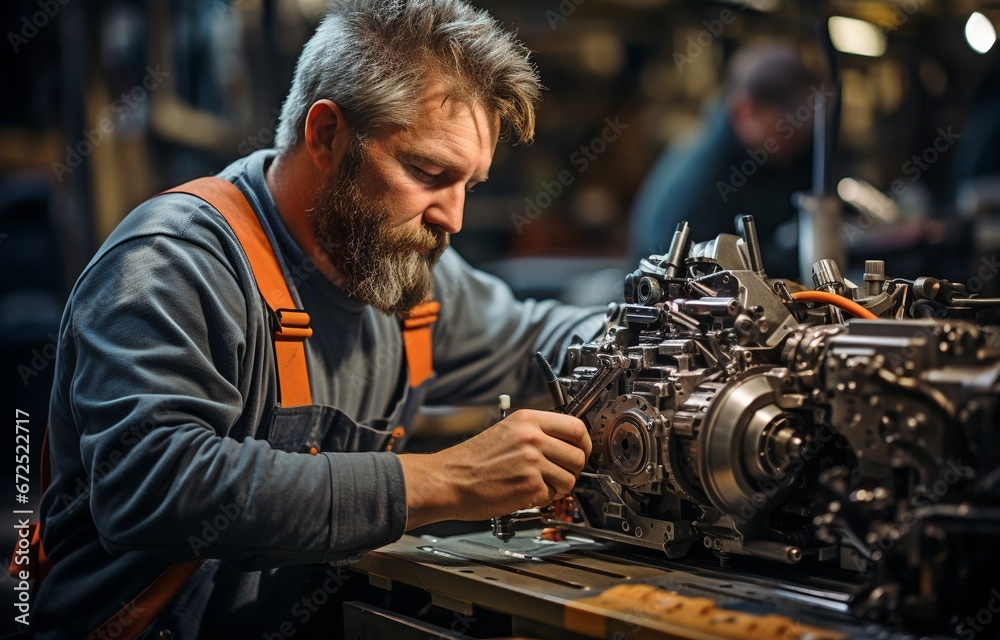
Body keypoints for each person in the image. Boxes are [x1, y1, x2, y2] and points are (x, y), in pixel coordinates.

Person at [33, 2, 606, 638]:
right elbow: (153, 485)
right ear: (327, 135)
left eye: (468, 184)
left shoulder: (405, 278)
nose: (453, 218)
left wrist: (652, 341)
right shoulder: (171, 264)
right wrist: (447, 479)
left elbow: (538, 336)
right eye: (428, 172)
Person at [628, 43, 817, 278]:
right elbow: (674, 284)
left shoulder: (785, 159)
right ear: (744, 111)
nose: (799, 134)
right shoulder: (697, 185)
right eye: (787, 125)